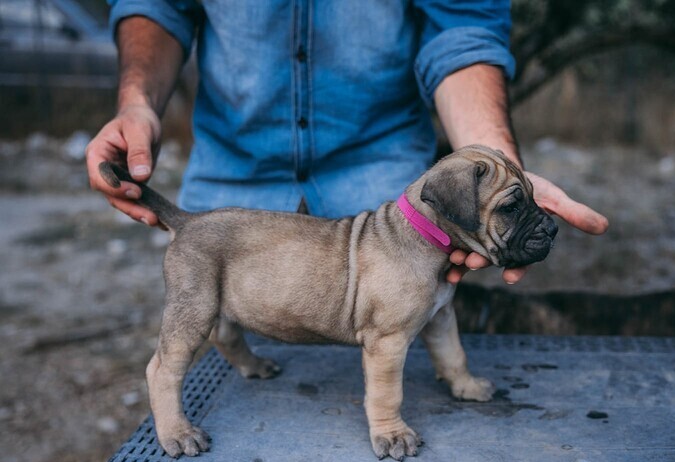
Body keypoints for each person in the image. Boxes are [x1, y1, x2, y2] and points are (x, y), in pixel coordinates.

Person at [86, 0, 608, 284]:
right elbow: (155, 6)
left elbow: (461, 29)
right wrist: (137, 102)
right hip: (230, 210)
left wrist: (496, 171)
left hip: (397, 225)